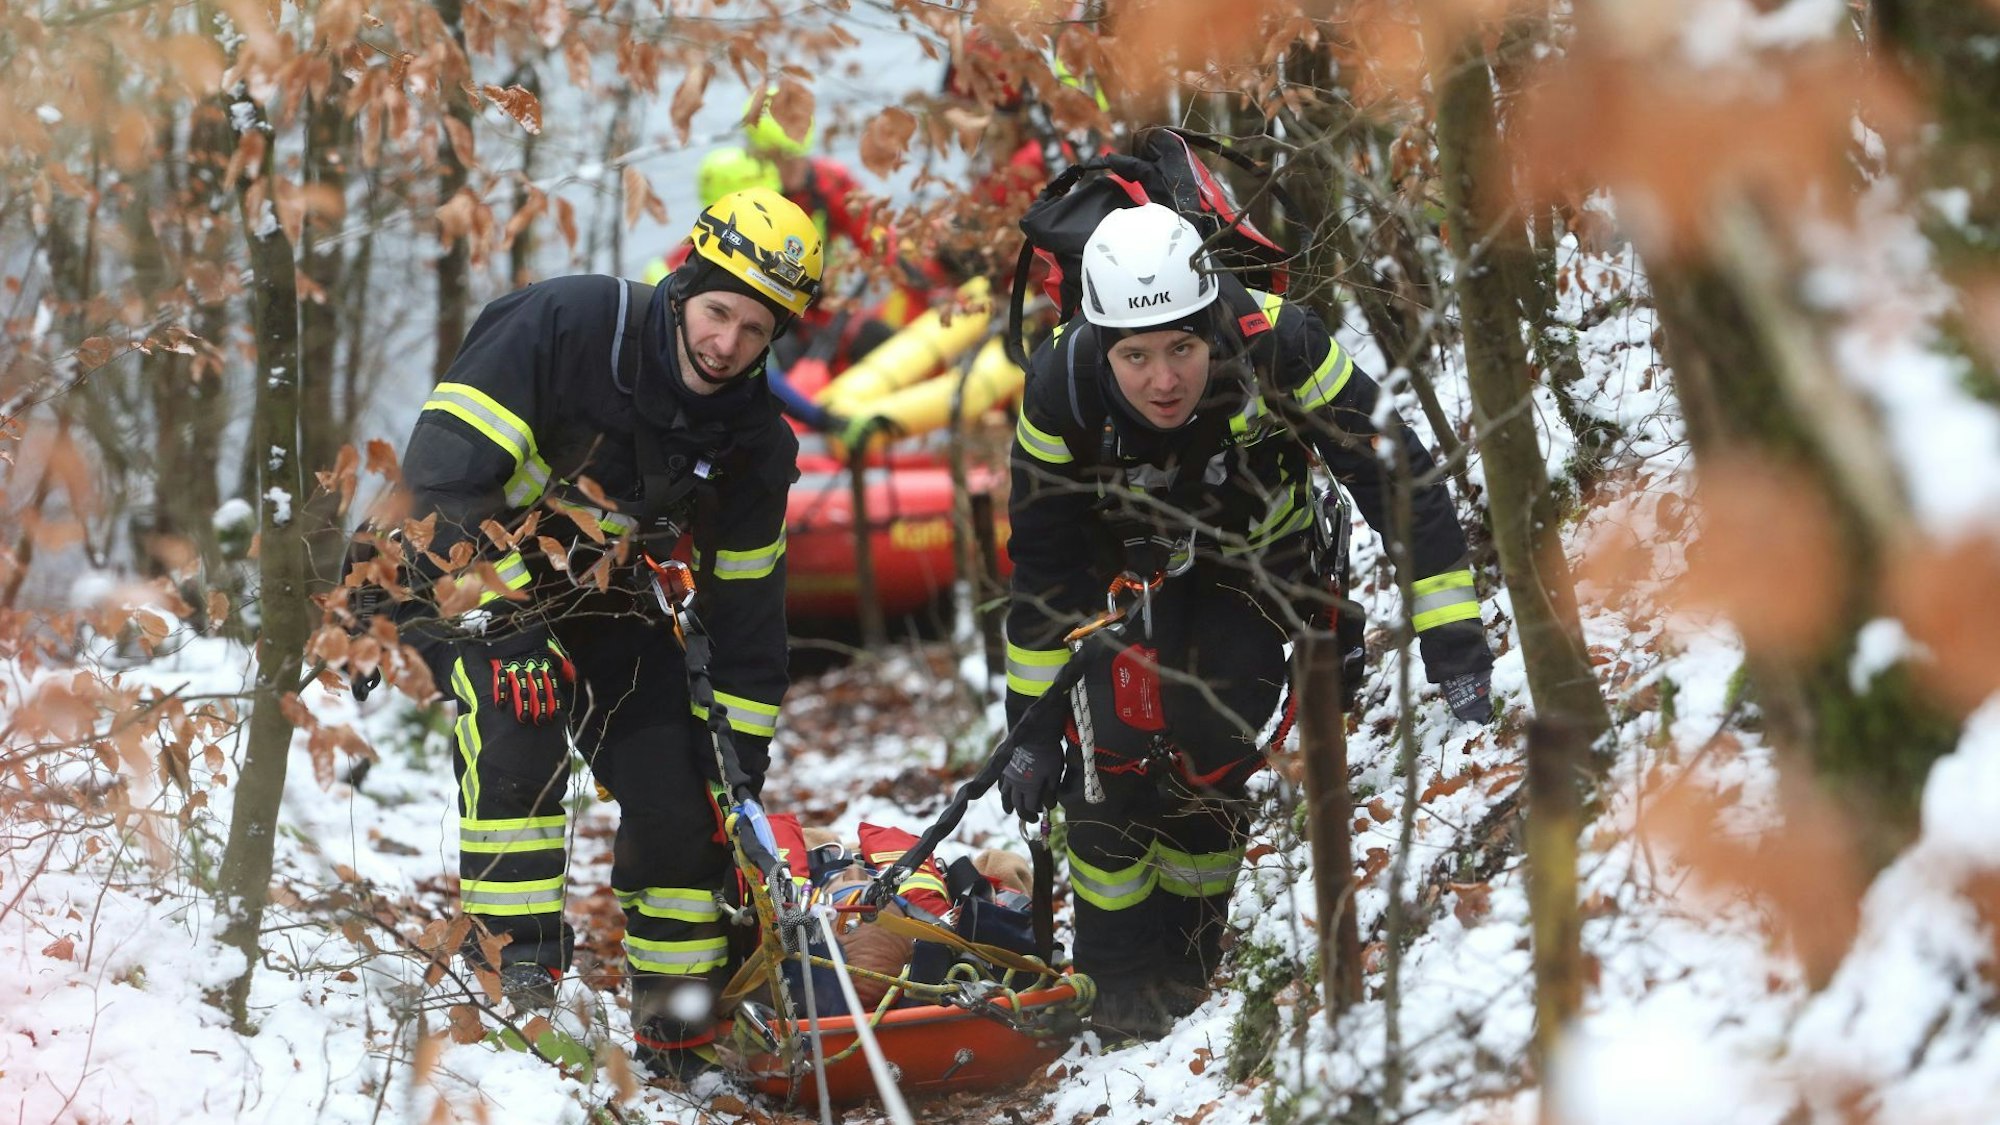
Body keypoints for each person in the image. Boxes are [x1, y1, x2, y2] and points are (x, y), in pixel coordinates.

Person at [996, 203, 1494, 1040]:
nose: (1164, 380)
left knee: (1212, 737)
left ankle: (1190, 970)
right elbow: (1043, 570)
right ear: (1099, 341)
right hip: (1119, 578)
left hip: (1260, 566)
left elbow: (1398, 481)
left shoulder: (1281, 343)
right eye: (1137, 356)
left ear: (1212, 326)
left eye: (1183, 349)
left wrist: (1456, 650)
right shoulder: (1059, 387)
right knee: (1107, 757)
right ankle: (1115, 985)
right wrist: (1031, 728)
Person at [365, 187, 823, 1082]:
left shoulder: (755, 440)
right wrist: (501, 619)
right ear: (683, 282)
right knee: (519, 710)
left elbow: (748, 622)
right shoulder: (569, 325)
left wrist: (738, 775)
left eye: (754, 331)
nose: (725, 344)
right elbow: (438, 491)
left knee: (685, 794)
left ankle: (680, 1031)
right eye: (717, 311)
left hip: (603, 602)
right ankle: (518, 986)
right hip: (457, 570)